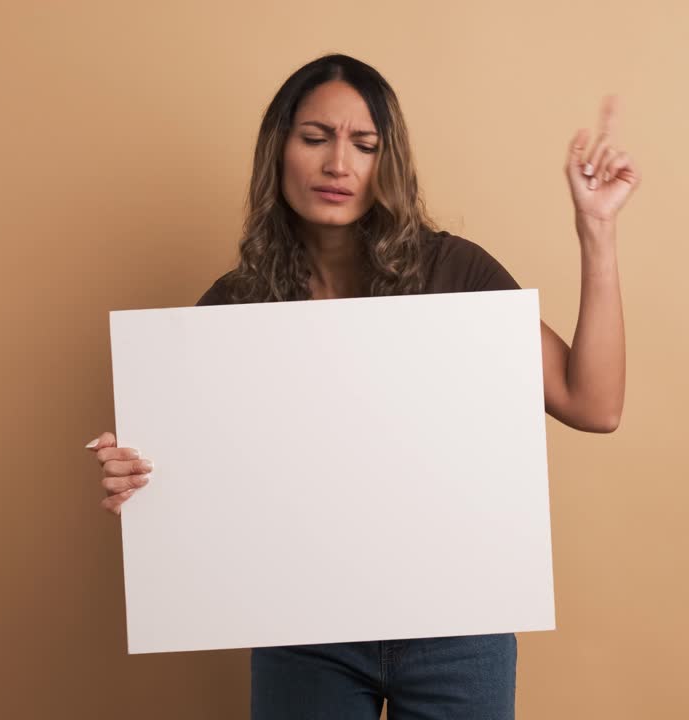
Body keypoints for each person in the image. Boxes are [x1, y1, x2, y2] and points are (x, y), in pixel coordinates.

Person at [84, 53, 639, 719]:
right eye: (315, 138)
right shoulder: (234, 308)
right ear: (278, 150)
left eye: (364, 145)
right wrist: (138, 479)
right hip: (303, 632)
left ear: (388, 162)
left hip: (457, 628)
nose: (338, 164)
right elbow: (204, 485)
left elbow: (594, 405)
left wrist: (596, 229)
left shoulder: (452, 273)